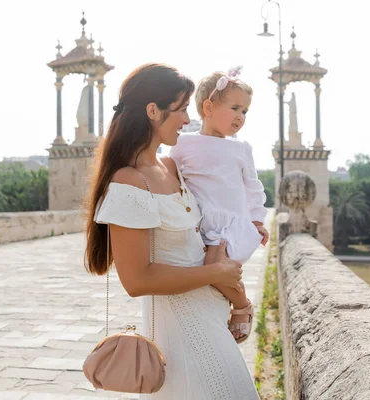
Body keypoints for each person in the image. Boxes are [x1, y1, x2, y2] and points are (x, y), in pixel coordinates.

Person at [84, 63, 260, 399]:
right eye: (180, 110)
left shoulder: (171, 166)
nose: (186, 119)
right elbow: (137, 280)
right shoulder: (129, 181)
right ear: (153, 111)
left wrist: (237, 297)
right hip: (182, 335)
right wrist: (215, 271)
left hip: (212, 319)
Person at [170, 67, 269, 343]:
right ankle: (236, 303)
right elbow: (174, 181)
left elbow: (253, 187)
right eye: (235, 108)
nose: (241, 117)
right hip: (200, 223)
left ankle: (242, 305)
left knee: (215, 267)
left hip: (231, 225)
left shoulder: (241, 149)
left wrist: (257, 220)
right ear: (209, 107)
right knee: (208, 268)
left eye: (245, 111)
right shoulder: (182, 143)